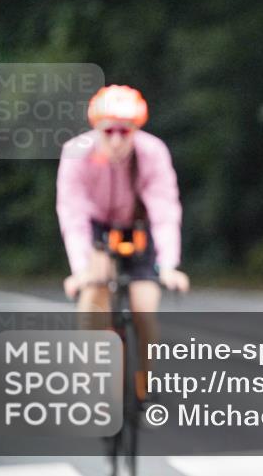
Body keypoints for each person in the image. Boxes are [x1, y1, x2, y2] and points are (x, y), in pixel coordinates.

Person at [57, 84, 189, 400]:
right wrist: (81, 268)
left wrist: (169, 265)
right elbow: (73, 214)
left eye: (125, 132)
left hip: (138, 226)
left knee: (144, 308)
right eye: (109, 131)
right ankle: (94, 375)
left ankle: (145, 380)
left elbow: (164, 209)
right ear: (97, 130)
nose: (117, 140)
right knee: (94, 292)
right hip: (97, 227)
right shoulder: (77, 153)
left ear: (135, 131)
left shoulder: (152, 152)